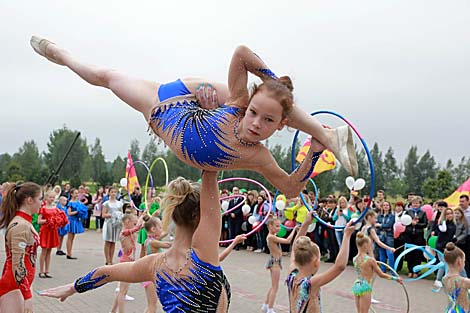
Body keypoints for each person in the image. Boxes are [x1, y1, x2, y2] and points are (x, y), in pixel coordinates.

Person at [30, 37, 358, 197]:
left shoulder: (259, 157)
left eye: (268, 121)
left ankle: (326, 139)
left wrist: (313, 156)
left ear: (281, 127)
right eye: (255, 114)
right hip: (175, 98)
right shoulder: (240, 103)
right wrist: (268, 82)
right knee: (106, 76)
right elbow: (242, 52)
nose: (257, 123)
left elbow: (289, 189)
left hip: (167, 115)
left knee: (272, 101)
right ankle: (62, 54)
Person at [40, 172, 231, 312]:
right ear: (202, 216)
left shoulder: (155, 264)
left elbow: (106, 273)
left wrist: (74, 287)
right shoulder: (204, 255)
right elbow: (210, 174)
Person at [285, 212, 354, 313]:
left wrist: (306, 223)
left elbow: (296, 247)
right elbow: (339, 266)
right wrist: (347, 235)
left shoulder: (292, 275)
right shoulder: (311, 283)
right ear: (316, 262)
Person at [0, 182, 42, 313]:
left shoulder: (25, 222)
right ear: (30, 200)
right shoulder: (21, 225)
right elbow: (16, 264)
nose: (42, 203)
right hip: (14, 287)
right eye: (40, 199)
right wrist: (27, 296)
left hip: (19, 286)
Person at [352, 232, 402, 313]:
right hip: (365, 286)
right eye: (370, 245)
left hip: (357, 285)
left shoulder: (354, 259)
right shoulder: (370, 260)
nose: (371, 247)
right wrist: (395, 278)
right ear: (365, 245)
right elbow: (381, 274)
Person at [110, 210, 145, 313]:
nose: (135, 224)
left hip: (128, 262)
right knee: (123, 291)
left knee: (122, 290)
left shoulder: (128, 231)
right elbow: (136, 228)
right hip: (126, 262)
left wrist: (142, 216)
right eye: (133, 222)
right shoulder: (124, 232)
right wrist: (139, 225)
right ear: (127, 222)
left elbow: (137, 226)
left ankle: (113, 311)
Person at [261, 217, 298, 313]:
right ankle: (270, 308)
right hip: (275, 262)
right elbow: (288, 241)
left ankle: (265, 305)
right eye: (276, 226)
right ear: (270, 226)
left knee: (273, 285)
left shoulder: (272, 235)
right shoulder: (271, 237)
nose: (279, 228)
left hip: (275, 261)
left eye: (279, 226)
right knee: (275, 287)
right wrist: (294, 230)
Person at [38, 191, 68, 278]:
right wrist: (49, 221)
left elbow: (60, 219)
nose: (52, 199)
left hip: (53, 231)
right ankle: (41, 271)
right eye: (50, 197)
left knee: (49, 251)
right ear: (46, 198)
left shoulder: (56, 208)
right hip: (45, 231)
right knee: (44, 251)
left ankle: (47, 270)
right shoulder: (43, 208)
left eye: (53, 197)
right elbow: (39, 221)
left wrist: (59, 221)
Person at [442, 242, 470, 312]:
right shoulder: (464, 281)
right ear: (459, 262)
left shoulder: (444, 279)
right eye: (464, 261)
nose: (464, 263)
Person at [433, 206, 456, 289]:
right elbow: (443, 231)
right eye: (447, 214)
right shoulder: (442, 224)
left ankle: (444, 279)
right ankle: (438, 279)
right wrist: (443, 222)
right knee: (444, 263)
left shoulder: (453, 224)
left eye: (450, 213)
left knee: (448, 264)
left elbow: (452, 235)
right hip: (441, 246)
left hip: (449, 247)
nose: (449, 215)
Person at [102, 187, 123, 265]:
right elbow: (103, 215)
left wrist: (119, 217)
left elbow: (121, 213)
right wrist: (111, 215)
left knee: (113, 242)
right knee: (108, 242)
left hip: (116, 224)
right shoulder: (106, 203)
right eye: (112, 192)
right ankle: (107, 260)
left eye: (115, 192)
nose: (113, 194)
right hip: (109, 223)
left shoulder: (119, 203)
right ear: (109, 193)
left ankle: (111, 259)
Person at [66, 188, 87, 260]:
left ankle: (70, 252)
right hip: (71, 220)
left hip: (76, 220)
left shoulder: (78, 202)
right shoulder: (70, 202)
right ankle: (68, 253)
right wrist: (77, 212)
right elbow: (69, 213)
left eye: (77, 193)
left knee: (72, 238)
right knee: (70, 237)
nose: (77, 194)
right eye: (75, 193)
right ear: (71, 194)